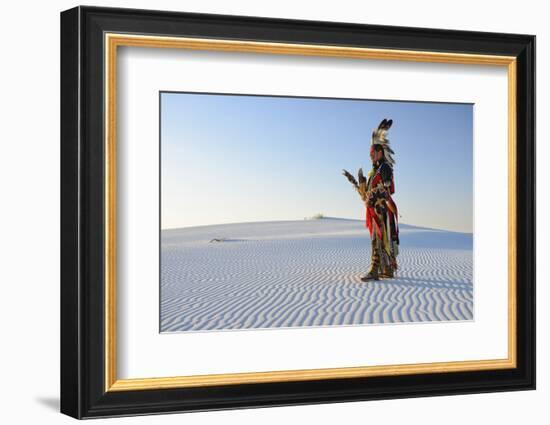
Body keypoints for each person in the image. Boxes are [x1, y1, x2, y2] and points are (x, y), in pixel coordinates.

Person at [342, 118, 399, 281]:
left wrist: (376, 193)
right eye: (370, 154)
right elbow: (369, 190)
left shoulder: (385, 167)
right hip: (374, 210)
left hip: (381, 210)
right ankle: (387, 269)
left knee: (378, 238)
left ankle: (375, 270)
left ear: (380, 152)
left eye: (373, 154)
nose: (371, 157)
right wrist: (361, 186)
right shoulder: (374, 170)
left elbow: (387, 187)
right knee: (380, 238)